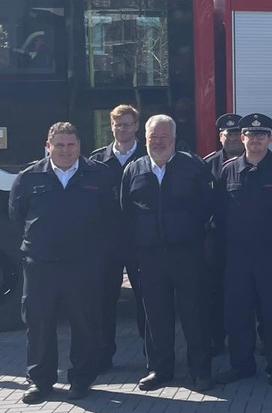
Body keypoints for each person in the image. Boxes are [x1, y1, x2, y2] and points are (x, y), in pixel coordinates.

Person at [9, 122, 118, 404]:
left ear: (79, 145)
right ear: (48, 147)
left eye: (71, 145)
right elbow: (17, 215)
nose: (66, 150)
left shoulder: (98, 174)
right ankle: (40, 381)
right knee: (39, 324)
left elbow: (110, 217)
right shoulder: (28, 177)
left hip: (83, 264)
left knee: (85, 322)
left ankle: (81, 379)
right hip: (41, 264)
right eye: (59, 145)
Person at [120, 115, 216, 392]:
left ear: (174, 138)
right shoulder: (134, 169)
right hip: (150, 256)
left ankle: (200, 370)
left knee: (195, 314)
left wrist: (192, 233)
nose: (158, 142)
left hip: (187, 254)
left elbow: (209, 206)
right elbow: (126, 211)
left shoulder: (193, 167)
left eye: (164, 137)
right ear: (145, 138)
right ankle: (159, 369)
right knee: (155, 316)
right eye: (153, 137)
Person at [213, 114, 272, 387]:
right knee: (237, 313)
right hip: (237, 256)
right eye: (250, 135)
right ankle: (241, 365)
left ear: (270, 138)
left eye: (261, 135)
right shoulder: (228, 170)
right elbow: (218, 213)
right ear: (242, 137)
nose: (256, 140)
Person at [88, 104, 147, 371]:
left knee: (146, 299)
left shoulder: (148, 156)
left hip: (139, 240)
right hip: (106, 243)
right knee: (103, 300)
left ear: (136, 126)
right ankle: (103, 356)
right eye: (117, 124)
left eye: (127, 124)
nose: (122, 129)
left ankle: (152, 356)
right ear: (111, 127)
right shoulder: (96, 161)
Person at [200, 113, 243, 357]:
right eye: (229, 134)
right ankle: (216, 338)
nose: (233, 138)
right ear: (220, 136)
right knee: (214, 290)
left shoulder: (256, 160)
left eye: (237, 134)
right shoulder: (207, 165)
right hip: (218, 239)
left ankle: (258, 339)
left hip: (247, 240)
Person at [202, 113, 244, 178]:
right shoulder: (210, 163)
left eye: (237, 134)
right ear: (221, 136)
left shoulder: (253, 160)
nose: (232, 139)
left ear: (243, 137)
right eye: (228, 135)